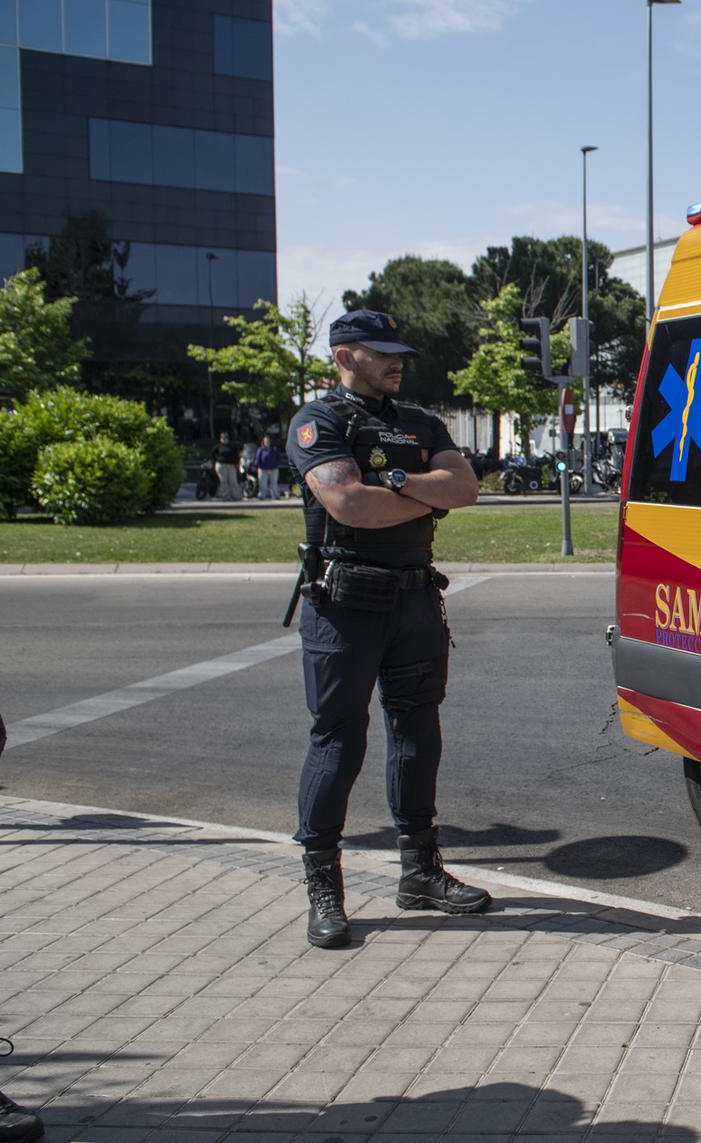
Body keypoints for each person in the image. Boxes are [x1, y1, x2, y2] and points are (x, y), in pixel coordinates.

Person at [285, 309, 487, 950]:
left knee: (417, 734)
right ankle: (324, 886)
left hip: (414, 600)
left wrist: (395, 481)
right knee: (337, 742)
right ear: (345, 355)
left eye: (400, 353)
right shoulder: (320, 422)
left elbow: (467, 490)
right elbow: (348, 503)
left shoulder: (420, 422)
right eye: (382, 353)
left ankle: (420, 873)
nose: (397, 362)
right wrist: (424, 492)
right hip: (344, 604)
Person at [212, 431, 242, 501]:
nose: (224, 439)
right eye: (222, 437)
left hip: (231, 466)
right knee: (223, 481)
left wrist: (237, 464)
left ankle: (236, 496)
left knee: (233, 480)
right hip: (221, 465)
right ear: (220, 439)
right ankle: (225, 496)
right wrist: (215, 461)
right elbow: (212, 454)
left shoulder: (232, 446)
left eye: (226, 437)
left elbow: (236, 455)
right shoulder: (218, 446)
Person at [254, 434, 283, 500]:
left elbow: (278, 458)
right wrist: (256, 466)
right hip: (263, 469)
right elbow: (257, 459)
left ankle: (275, 495)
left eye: (268, 441)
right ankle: (262, 496)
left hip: (273, 469)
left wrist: (276, 465)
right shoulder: (260, 449)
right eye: (266, 441)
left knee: (274, 483)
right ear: (263, 442)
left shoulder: (274, 449)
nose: (267, 442)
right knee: (262, 483)